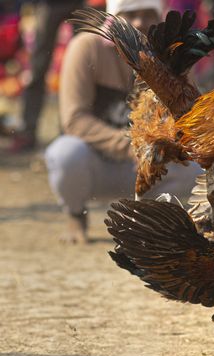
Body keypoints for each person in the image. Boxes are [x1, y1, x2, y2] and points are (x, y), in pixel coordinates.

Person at [45, 0, 201, 244]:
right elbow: (74, 120)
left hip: (148, 168)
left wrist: (162, 145)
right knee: (65, 153)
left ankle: (149, 220)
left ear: (159, 17)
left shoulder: (171, 55)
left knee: (192, 167)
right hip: (97, 163)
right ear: (114, 17)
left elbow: (188, 116)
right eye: (130, 13)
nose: (139, 22)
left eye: (147, 13)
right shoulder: (86, 46)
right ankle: (76, 214)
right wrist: (131, 145)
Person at [7, 0, 84, 153]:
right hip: (49, 4)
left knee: (80, 67)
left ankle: (71, 131)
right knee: (37, 68)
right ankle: (27, 132)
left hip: (78, 4)